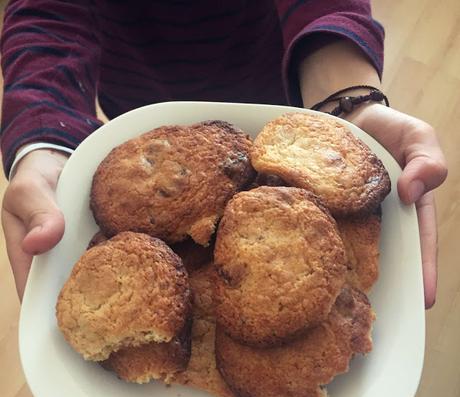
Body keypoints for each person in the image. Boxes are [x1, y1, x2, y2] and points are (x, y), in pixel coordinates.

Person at [1, 1, 447, 306]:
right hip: (145, 115)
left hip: (269, 78)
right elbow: (46, 15)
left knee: (265, 152)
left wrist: (345, 100)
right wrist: (44, 138)